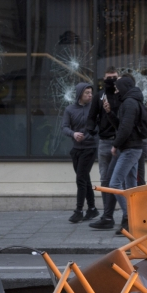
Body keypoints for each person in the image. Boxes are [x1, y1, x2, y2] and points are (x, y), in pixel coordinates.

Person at [96, 76, 144, 234]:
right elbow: (121, 125)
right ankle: (134, 220)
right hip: (131, 147)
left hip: (130, 148)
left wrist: (115, 144)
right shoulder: (128, 102)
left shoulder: (129, 103)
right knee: (130, 186)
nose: (115, 91)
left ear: (124, 87)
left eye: (117, 88)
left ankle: (129, 217)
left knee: (114, 184)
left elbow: (125, 128)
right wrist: (109, 113)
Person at [86, 67, 120, 229]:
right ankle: (108, 216)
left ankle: (125, 216)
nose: (112, 81)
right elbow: (91, 117)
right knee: (105, 180)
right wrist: (90, 130)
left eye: (114, 78)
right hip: (104, 141)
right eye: (109, 78)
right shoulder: (99, 97)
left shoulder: (122, 96)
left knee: (119, 181)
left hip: (119, 142)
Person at [62, 83, 99, 223]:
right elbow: (64, 127)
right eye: (87, 93)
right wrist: (73, 134)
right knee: (85, 178)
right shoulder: (70, 110)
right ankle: (92, 209)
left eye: (91, 92)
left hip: (90, 148)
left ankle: (78, 211)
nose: (90, 95)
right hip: (76, 149)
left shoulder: (94, 108)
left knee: (80, 179)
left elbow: (99, 126)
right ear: (79, 95)